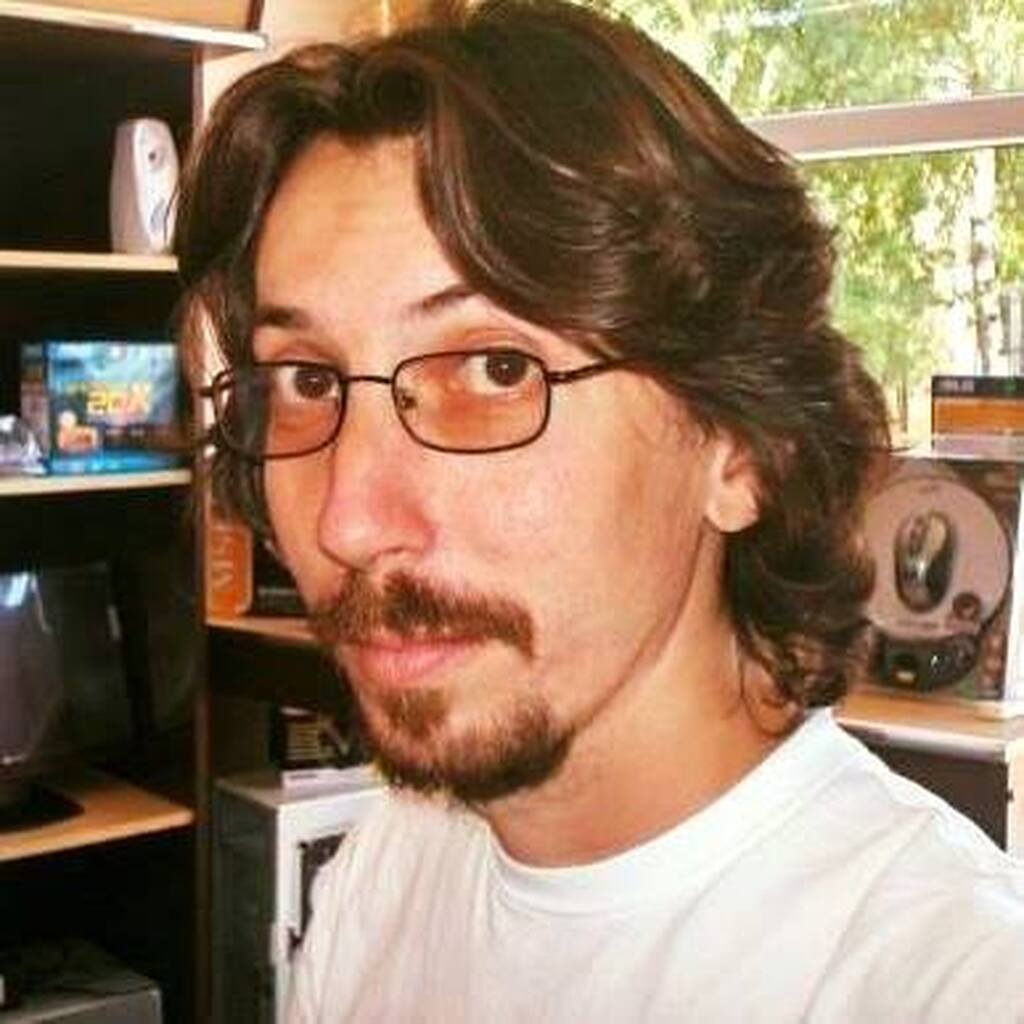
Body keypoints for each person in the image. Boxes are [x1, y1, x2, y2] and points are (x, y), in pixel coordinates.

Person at [174, 1, 1024, 1019]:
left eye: (495, 369)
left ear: (742, 446)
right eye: (307, 380)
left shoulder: (949, 981)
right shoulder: (389, 867)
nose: (346, 523)